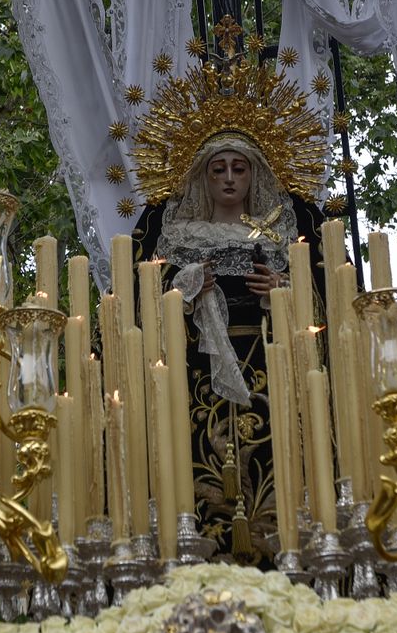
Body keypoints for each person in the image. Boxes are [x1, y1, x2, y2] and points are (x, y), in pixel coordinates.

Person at [132, 131, 327, 562]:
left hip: (269, 366)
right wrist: (184, 289)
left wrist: (282, 290)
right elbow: (143, 307)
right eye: (217, 169)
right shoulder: (177, 236)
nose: (228, 179)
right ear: (202, 178)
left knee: (276, 468)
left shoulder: (280, 233)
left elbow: (321, 310)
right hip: (199, 376)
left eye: (239, 168)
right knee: (195, 473)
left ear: (253, 175)